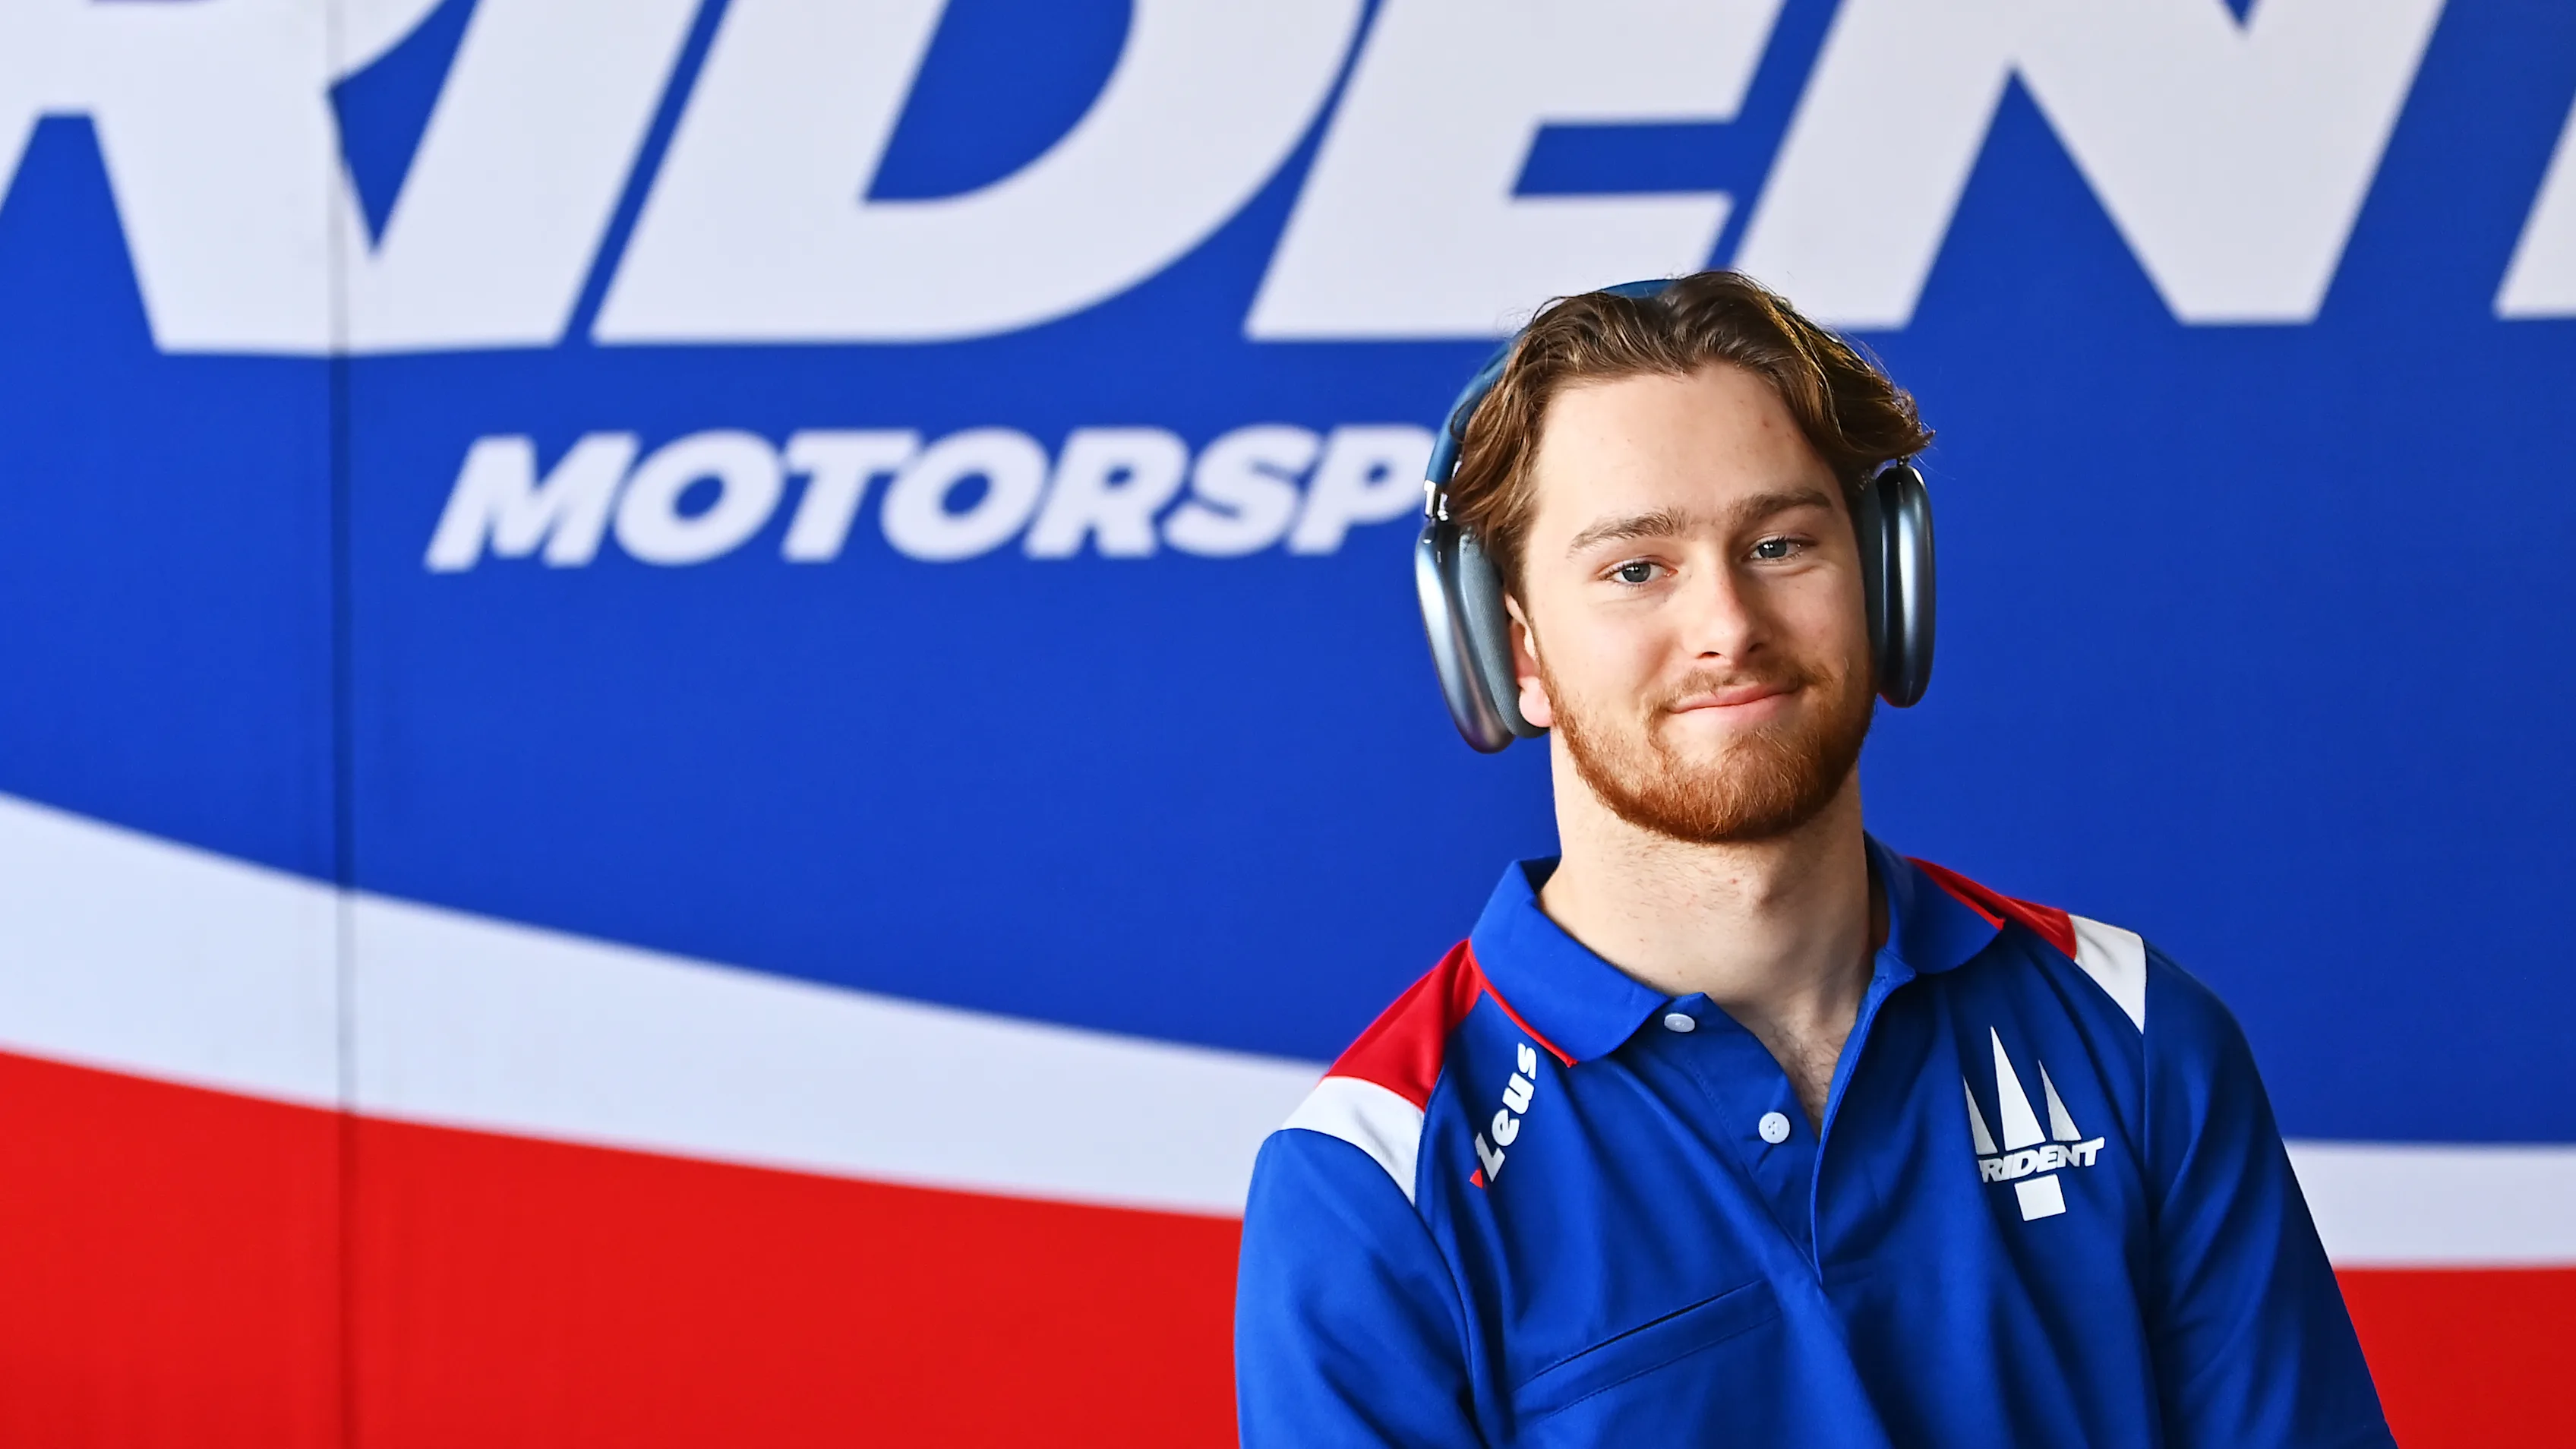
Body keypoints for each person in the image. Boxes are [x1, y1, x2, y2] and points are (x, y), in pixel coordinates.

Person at [1233, 272, 2391, 1448]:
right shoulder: (1375, 1185)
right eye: (1637, 568)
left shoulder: (2132, 1036)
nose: (1728, 625)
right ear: (1514, 651)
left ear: (1887, 583)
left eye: (1780, 542)